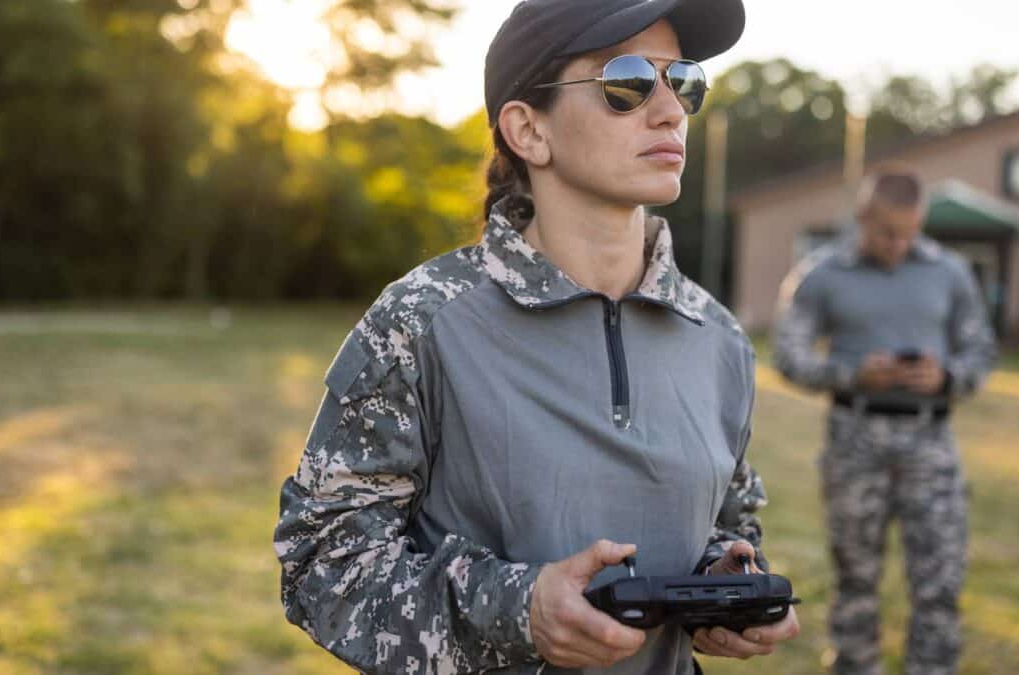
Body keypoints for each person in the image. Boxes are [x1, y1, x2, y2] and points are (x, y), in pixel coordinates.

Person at [274, 1, 800, 673]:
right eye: (628, 82)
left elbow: (730, 521)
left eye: (684, 81)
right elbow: (321, 562)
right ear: (528, 130)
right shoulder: (423, 320)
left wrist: (721, 580)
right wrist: (517, 609)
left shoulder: (718, 339)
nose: (670, 110)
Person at [773, 165, 997, 675]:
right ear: (862, 217)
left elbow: (981, 351)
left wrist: (946, 377)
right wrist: (852, 375)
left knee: (939, 582)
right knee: (855, 579)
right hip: (855, 441)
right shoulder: (821, 274)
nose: (899, 244)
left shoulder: (951, 272)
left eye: (909, 231)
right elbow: (789, 355)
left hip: (930, 443)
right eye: (887, 231)